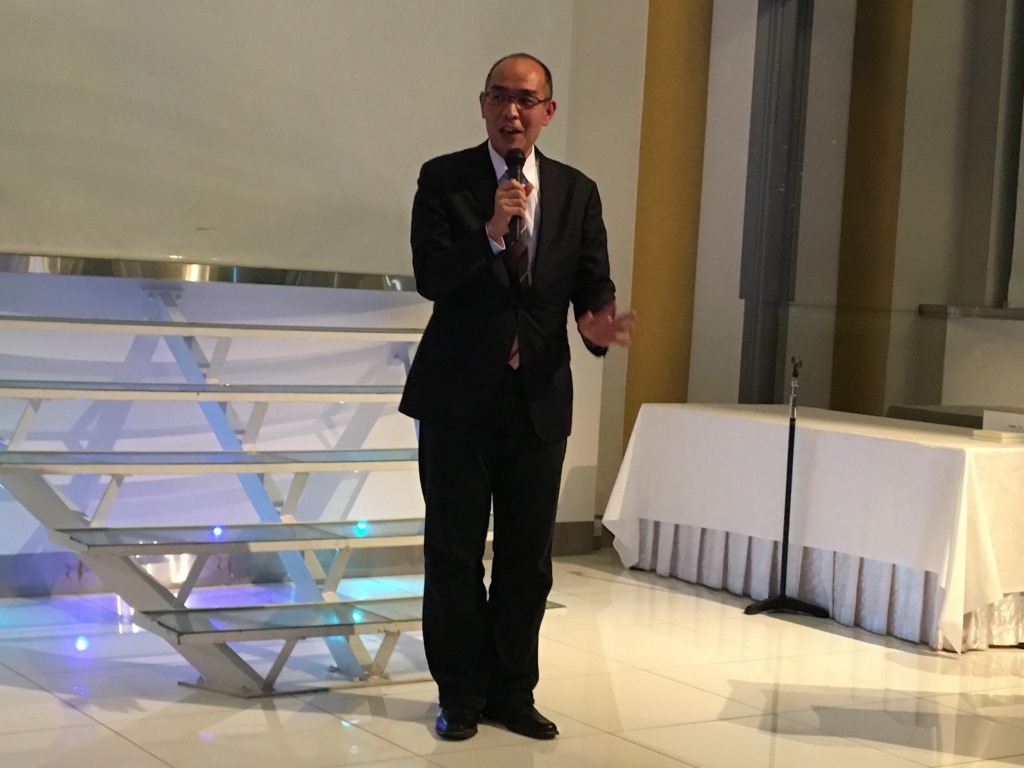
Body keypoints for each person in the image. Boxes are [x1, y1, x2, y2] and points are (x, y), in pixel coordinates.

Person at [399, 52, 633, 741]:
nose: (512, 111)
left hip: (538, 397)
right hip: (457, 398)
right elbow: (431, 277)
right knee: (453, 554)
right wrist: (491, 234)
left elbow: (592, 284)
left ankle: (512, 691)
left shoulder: (577, 191)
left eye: (526, 100)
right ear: (482, 105)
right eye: (499, 97)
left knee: (527, 560)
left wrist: (596, 325)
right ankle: (460, 695)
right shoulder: (444, 179)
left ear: (547, 112)